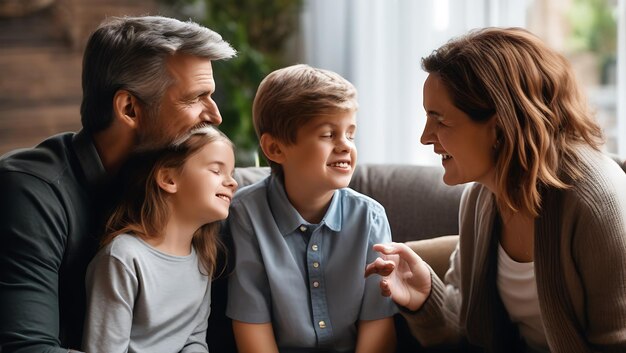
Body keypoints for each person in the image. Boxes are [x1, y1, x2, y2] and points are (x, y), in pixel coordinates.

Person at [365, 27, 626, 353]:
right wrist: (424, 298)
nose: (425, 136)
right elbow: (464, 332)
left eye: (440, 120)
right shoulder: (481, 198)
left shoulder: (593, 201)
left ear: (500, 125)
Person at [0, 16, 235, 352]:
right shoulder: (29, 191)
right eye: (195, 97)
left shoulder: (185, 198)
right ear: (129, 109)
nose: (214, 115)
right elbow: (25, 348)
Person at [225, 64, 398, 353]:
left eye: (350, 134)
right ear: (275, 149)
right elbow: (251, 328)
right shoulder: (246, 215)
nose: (345, 146)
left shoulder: (370, 218)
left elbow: (378, 326)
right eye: (328, 134)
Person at [82, 126, 238, 353]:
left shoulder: (202, 261)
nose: (232, 182)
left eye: (232, 173)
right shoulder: (123, 258)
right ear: (168, 178)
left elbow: (194, 341)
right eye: (216, 171)